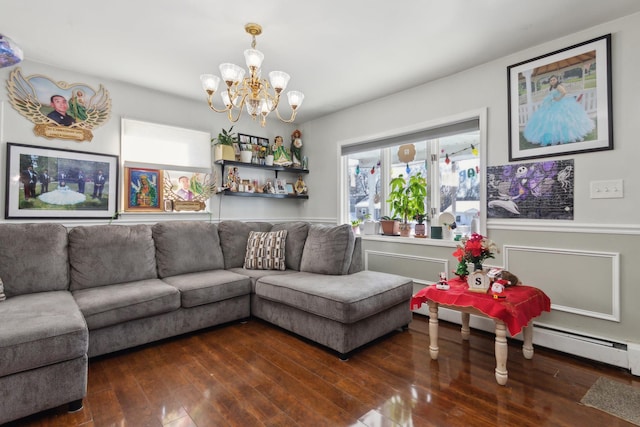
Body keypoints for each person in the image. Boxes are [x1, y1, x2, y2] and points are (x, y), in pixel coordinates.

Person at [523, 75, 594, 146]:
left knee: (561, 119)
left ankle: (564, 136)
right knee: (550, 120)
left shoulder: (558, 86)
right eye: (551, 80)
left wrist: (558, 99)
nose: (552, 81)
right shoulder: (552, 87)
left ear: (557, 80)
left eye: (554, 79)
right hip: (553, 104)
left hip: (560, 103)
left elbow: (564, 92)